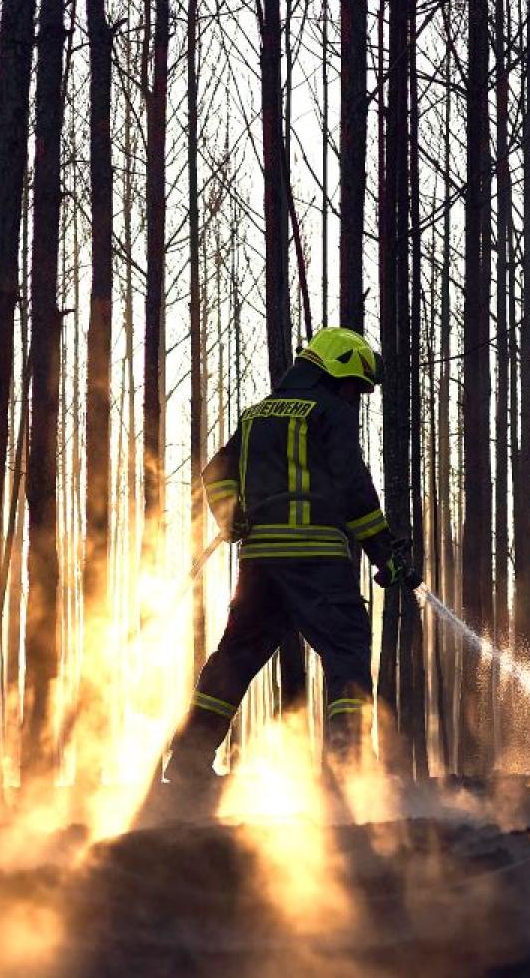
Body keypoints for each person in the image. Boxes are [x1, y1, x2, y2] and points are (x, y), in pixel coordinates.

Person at [162, 326, 420, 784]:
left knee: (236, 656)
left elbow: (216, 470)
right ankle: (344, 768)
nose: (353, 398)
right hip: (317, 559)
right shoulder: (330, 413)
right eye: (353, 387)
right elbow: (352, 486)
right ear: (336, 367)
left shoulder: (257, 415)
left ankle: (187, 762)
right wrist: (385, 552)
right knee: (346, 654)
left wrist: (230, 515)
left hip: (260, 564)